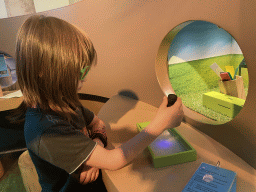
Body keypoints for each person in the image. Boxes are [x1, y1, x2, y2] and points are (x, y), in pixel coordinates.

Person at [11, 15, 184, 191]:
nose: (84, 78)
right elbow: (114, 160)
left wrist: (94, 152)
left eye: (84, 70)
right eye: (77, 72)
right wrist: (160, 124)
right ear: (43, 71)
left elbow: (97, 123)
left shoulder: (64, 101)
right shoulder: (45, 129)